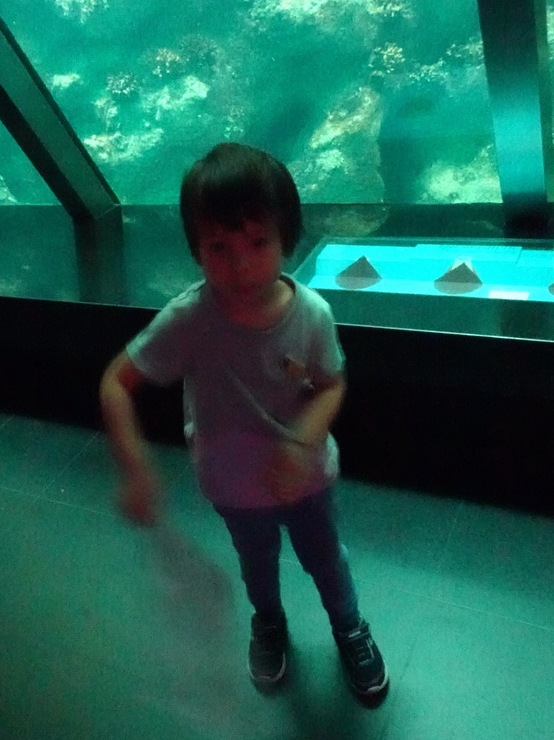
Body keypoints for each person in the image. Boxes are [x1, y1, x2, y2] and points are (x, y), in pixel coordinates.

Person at [100, 142, 387, 699]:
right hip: (232, 485)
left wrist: (304, 441)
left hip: (307, 480)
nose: (241, 264)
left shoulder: (312, 314)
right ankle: (269, 623)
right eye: (219, 246)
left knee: (326, 558)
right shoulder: (188, 319)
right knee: (256, 563)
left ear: (286, 238)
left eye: (258, 243)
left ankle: (349, 625)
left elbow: (332, 385)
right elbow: (116, 381)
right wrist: (135, 468)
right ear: (195, 249)